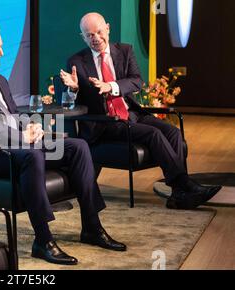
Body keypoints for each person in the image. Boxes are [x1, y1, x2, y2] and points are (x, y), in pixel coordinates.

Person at [0, 20, 127, 266]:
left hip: (17, 146)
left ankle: (92, 227)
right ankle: (43, 240)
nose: (1, 53)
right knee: (33, 156)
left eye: (1, 47)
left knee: (78, 147)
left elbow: (11, 116)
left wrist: (29, 127)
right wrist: (22, 137)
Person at [60, 12, 221, 210]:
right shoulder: (76, 61)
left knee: (172, 132)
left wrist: (110, 86)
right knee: (153, 134)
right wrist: (74, 89)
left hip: (132, 114)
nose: (96, 38)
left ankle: (178, 194)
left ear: (108, 28)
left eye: (99, 32)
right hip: (106, 122)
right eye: (89, 35)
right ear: (83, 37)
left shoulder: (125, 51)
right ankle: (184, 185)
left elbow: (137, 81)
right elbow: (70, 101)